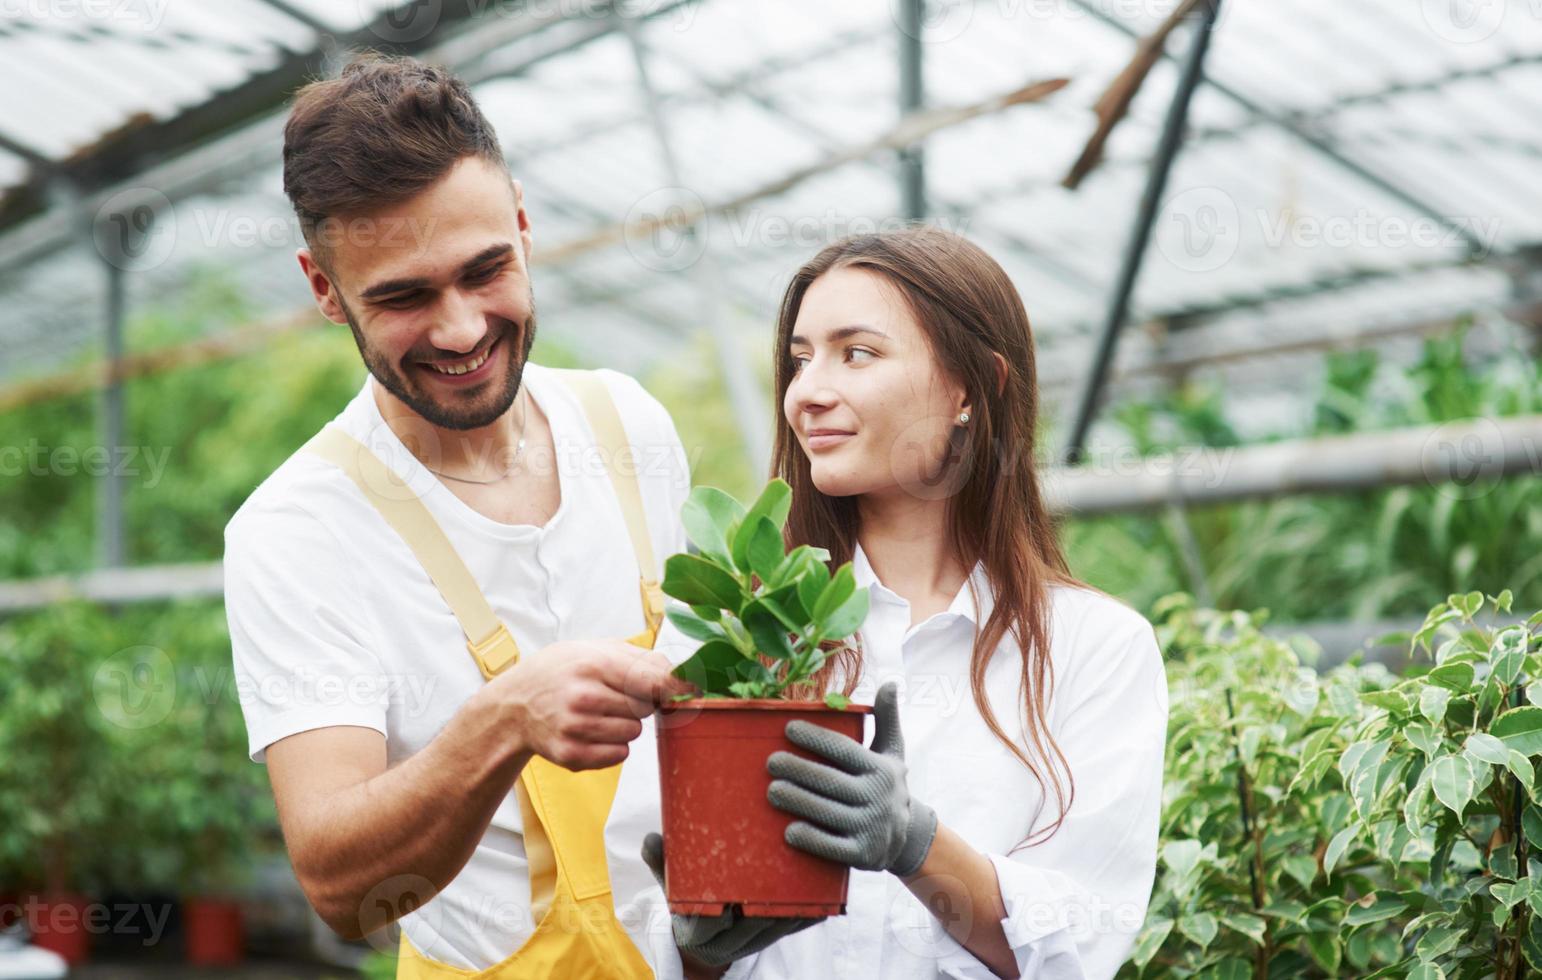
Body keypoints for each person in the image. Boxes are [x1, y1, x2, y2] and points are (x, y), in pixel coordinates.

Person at [223, 53, 708, 978]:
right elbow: (339, 888)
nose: (459, 330)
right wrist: (503, 721)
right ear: (325, 290)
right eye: (403, 296)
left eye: (486, 270)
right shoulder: (298, 531)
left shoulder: (628, 423)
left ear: (522, 223)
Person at [648, 227, 1169, 979]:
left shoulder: (1095, 649)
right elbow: (651, 920)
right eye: (800, 360)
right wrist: (700, 951)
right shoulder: (730, 630)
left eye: (857, 353)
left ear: (972, 388)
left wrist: (917, 845)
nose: (809, 392)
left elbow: (1079, 946)